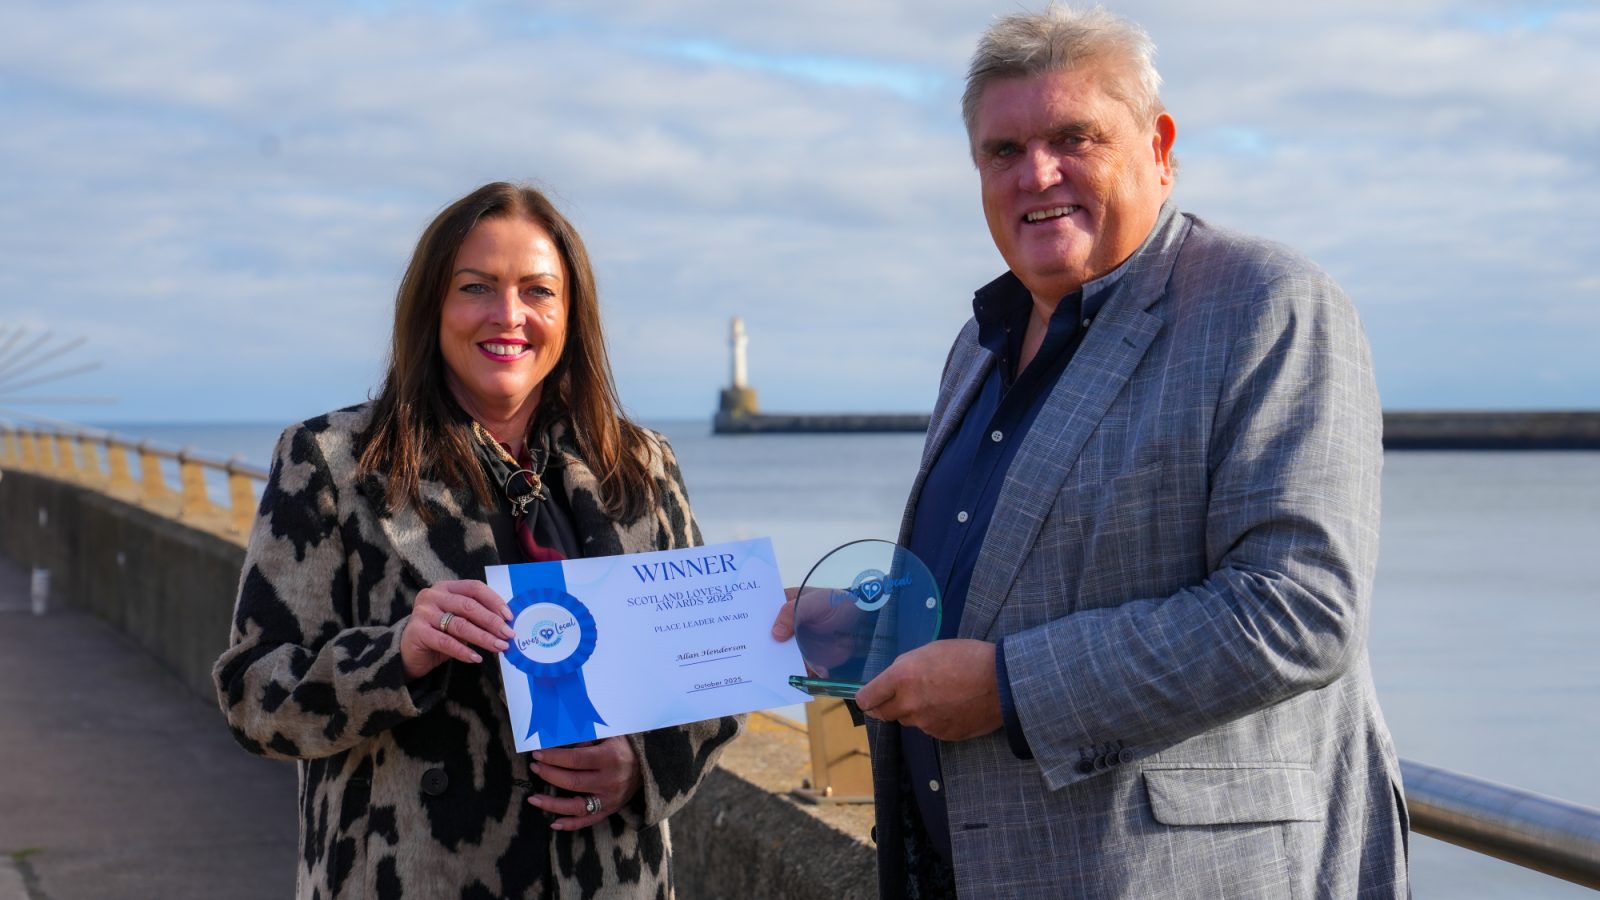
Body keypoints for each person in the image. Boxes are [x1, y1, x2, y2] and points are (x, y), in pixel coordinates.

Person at [778, 6, 1409, 898]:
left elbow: (1299, 610)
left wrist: (1010, 687)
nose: (1038, 173)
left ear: (1159, 144)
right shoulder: (980, 343)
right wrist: (873, 627)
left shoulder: (1266, 302)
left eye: (1075, 137)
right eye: (1004, 151)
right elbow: (999, 589)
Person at [214, 182, 741, 899]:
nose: (509, 315)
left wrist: (647, 763)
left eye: (538, 291)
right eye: (477, 287)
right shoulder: (333, 461)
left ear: (571, 313)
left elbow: (712, 663)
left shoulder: (640, 465)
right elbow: (253, 695)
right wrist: (398, 654)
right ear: (432, 304)